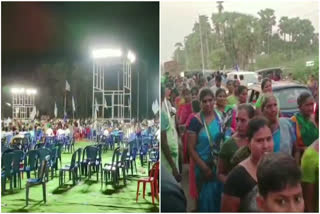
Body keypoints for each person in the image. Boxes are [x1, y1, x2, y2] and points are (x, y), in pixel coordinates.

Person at [221, 116, 274, 212]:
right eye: (259, 140)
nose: (266, 146)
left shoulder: (278, 168)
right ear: (248, 143)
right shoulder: (236, 178)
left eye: (269, 139)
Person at [188, 88, 223, 212]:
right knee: (205, 202)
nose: (208, 104)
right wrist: (204, 168)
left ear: (214, 101)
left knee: (219, 200)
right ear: (200, 103)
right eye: (204, 101)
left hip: (219, 168)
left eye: (210, 100)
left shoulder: (220, 117)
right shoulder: (195, 122)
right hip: (203, 169)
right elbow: (191, 149)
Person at [218, 104, 255, 183]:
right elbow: (220, 173)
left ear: (252, 120)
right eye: (237, 120)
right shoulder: (228, 144)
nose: (238, 124)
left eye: (243, 120)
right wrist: (232, 186)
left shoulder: (258, 140)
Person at [161, 85, 181, 182]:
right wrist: (173, 167)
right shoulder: (161, 114)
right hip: (167, 157)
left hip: (172, 152)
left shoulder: (167, 104)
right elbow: (163, 143)